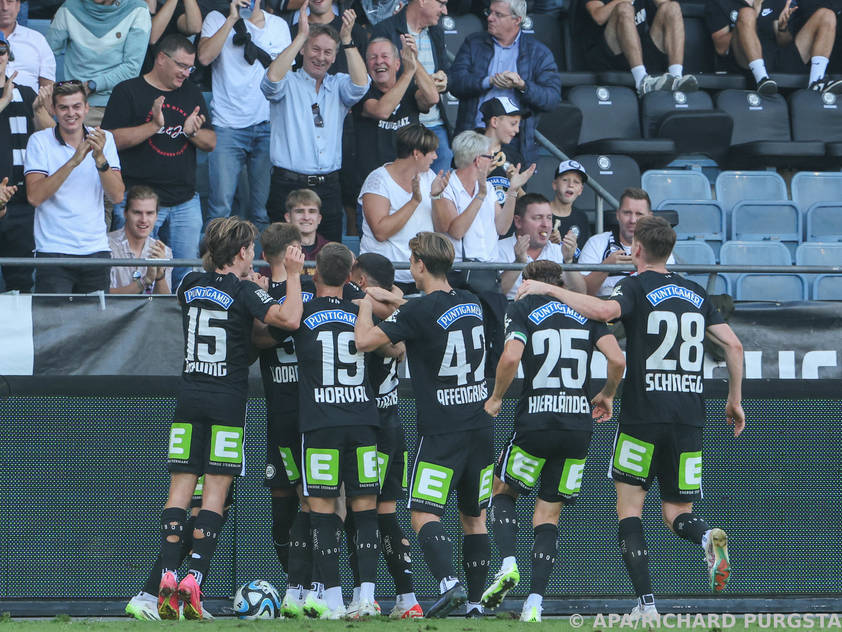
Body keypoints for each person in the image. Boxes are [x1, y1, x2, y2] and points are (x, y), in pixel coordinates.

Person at [516, 215, 745, 620]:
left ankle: (647, 606)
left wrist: (547, 287)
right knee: (678, 512)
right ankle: (707, 536)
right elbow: (734, 345)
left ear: (636, 248)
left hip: (643, 416)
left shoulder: (635, 286)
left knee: (630, 511)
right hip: (690, 418)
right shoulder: (694, 291)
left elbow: (604, 310)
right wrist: (734, 400)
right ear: (669, 250)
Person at [153, 216, 305, 620]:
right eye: (250, 249)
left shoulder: (187, 284)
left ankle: (167, 577)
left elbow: (213, 291)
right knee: (214, 495)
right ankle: (193, 584)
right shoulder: (242, 291)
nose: (252, 255)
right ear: (241, 252)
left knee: (180, 491)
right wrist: (290, 276)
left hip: (188, 397)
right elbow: (290, 319)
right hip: (226, 401)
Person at [355, 231, 493, 619]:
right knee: (474, 517)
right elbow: (429, 310)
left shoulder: (416, 311)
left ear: (418, 264)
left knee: (422, 513)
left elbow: (365, 341)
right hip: (480, 426)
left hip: (441, 430)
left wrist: (368, 301)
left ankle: (449, 586)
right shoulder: (471, 302)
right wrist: (397, 301)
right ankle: (477, 605)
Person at [481, 260, 625, 622]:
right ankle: (534, 604)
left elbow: (512, 355)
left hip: (537, 419)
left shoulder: (523, 306)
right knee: (549, 513)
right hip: (578, 426)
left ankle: (509, 564)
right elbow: (617, 359)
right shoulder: (584, 309)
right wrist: (606, 394)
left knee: (502, 490)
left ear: (528, 282)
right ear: (558, 282)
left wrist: (497, 397)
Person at [270, 242, 386, 620]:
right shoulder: (362, 309)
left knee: (320, 511)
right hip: (363, 421)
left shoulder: (302, 312)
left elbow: (281, 321)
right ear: (351, 275)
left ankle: (331, 599)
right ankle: (365, 596)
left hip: (320, 424)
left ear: (314, 274)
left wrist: (289, 273)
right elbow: (398, 314)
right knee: (365, 511)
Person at [102, 34, 216, 289]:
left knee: (186, 279)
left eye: (191, 67)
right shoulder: (128, 90)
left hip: (185, 201)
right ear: (161, 59)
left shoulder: (191, 92)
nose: (187, 73)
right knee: (135, 277)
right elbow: (112, 141)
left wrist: (192, 133)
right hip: (139, 203)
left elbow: (211, 142)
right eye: (182, 66)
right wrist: (153, 126)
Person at [345, 252, 422, 619]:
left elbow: (382, 345)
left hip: (369, 427)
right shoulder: (400, 314)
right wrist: (391, 298)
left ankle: (366, 594)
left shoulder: (367, 317)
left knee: (359, 512)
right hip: (393, 426)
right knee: (386, 513)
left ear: (361, 280)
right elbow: (404, 340)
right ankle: (407, 599)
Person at [261, 3, 369, 240]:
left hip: (328, 187)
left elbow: (361, 85)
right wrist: (301, 36)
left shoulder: (338, 84)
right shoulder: (288, 81)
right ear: (303, 50)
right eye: (315, 49)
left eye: (328, 52)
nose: (321, 57)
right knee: (282, 256)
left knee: (330, 260)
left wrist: (348, 41)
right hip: (288, 184)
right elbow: (270, 80)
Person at [197, 0, 291, 231]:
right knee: (220, 208)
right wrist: (231, 19)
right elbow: (204, 58)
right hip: (227, 125)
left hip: (268, 123)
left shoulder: (278, 25)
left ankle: (256, 266)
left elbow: (286, 73)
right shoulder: (216, 19)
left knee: (261, 211)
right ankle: (215, 265)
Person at [24, 80, 124, 293]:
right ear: (53, 110)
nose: (71, 113)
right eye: (64, 107)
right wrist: (73, 161)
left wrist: (100, 160)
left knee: (96, 326)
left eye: (77, 106)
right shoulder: (39, 141)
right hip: (53, 251)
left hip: (95, 250)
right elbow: (34, 197)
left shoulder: (105, 139)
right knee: (54, 325)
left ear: (87, 108)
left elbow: (116, 196)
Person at [449, 0, 561, 163]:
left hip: (514, 141)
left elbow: (552, 99)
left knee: (509, 188)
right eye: (490, 12)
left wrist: (523, 86)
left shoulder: (538, 53)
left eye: (498, 14)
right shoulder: (473, 43)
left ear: (517, 20)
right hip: (473, 137)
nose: (490, 18)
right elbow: (455, 83)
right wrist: (488, 81)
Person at [351, 35, 438, 216]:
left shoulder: (410, 90)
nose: (378, 61)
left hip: (410, 185)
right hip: (375, 188)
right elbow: (383, 110)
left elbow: (432, 98)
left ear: (397, 64)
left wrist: (414, 61)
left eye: (384, 56)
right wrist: (408, 73)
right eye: (373, 58)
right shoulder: (360, 92)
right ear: (366, 66)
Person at [371, 0, 453, 173]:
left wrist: (444, 80)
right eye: (441, 3)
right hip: (403, 125)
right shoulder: (386, 29)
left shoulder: (436, 31)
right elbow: (379, 77)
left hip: (435, 123)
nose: (445, 10)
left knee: (438, 191)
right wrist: (421, 82)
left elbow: (447, 71)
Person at [358, 124, 438, 294]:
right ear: (416, 154)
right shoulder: (378, 180)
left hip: (418, 277)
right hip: (382, 278)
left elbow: (440, 228)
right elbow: (380, 232)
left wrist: (438, 198)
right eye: (431, 152)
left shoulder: (429, 176)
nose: (435, 156)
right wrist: (414, 201)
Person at [0, 37, 52, 292]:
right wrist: (3, 102)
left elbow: (54, 137)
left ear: (8, 56)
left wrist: (40, 112)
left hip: (20, 203)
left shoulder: (26, 93)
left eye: (1, 50)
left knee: (20, 284)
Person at [47, 0, 152, 126]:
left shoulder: (137, 9)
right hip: (78, 106)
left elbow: (131, 68)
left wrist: (92, 85)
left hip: (119, 103)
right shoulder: (68, 8)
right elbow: (46, 54)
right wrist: (50, 96)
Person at [706, 0, 842, 95]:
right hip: (747, 62)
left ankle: (816, 82)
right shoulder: (719, 2)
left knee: (827, 15)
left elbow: (783, 42)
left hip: (777, 57)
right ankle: (762, 80)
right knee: (747, 13)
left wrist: (783, 29)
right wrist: (751, 18)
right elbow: (721, 47)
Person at [582, 0, 697, 96]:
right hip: (610, 54)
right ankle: (642, 81)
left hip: (639, 50)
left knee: (672, 7)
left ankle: (676, 77)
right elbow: (598, 16)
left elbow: (665, 4)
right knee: (624, 8)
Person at [578, 187, 674, 297]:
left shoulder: (660, 246)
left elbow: (667, 292)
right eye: (627, 213)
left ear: (649, 217)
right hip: (604, 309)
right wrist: (606, 266)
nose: (632, 220)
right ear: (618, 214)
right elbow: (583, 293)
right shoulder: (596, 243)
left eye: (639, 214)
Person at [497, 193, 585, 298]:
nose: (546, 224)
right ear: (518, 221)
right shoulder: (498, 249)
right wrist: (518, 263)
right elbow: (495, 295)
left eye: (549, 218)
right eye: (538, 218)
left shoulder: (558, 251)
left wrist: (569, 261)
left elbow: (581, 294)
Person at [108, 185, 173, 294]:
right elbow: (104, 297)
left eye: (149, 213)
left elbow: (164, 305)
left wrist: (160, 277)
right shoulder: (106, 245)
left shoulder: (164, 251)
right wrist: (145, 281)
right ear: (125, 213)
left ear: (156, 216)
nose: (143, 220)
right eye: (137, 213)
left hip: (150, 311)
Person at [479, 96, 527, 207]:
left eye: (518, 125)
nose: (517, 130)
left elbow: (525, 204)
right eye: (513, 124)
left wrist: (516, 185)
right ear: (494, 122)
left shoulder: (516, 157)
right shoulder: (470, 152)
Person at [1, 0, 56, 92]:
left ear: (18, 5)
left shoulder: (37, 40)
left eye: (10, 1)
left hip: (30, 105)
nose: (4, 7)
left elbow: (47, 88)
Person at [549, 159, 591, 251]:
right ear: (554, 184)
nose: (571, 185)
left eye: (576, 182)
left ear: (580, 190)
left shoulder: (581, 218)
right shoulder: (540, 212)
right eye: (565, 180)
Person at [285, 188, 329, 261]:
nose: (306, 217)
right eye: (299, 211)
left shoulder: (330, 251)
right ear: (288, 217)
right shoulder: (276, 250)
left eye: (312, 211)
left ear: (319, 218)